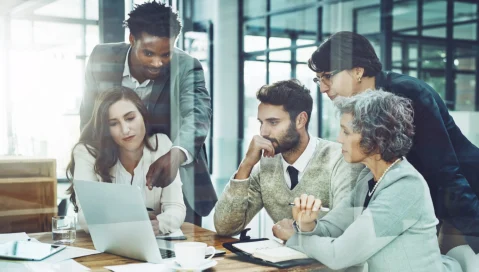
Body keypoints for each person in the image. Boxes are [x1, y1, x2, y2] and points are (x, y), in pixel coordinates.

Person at [308, 31, 479, 254]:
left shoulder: (407, 94)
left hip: (464, 193)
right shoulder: (357, 107)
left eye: (327, 76)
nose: (322, 87)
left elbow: (445, 170)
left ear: (358, 71)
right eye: (318, 78)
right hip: (430, 195)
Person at [273, 90, 462, 272]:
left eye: (346, 132)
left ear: (375, 138)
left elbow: (340, 255)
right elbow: (333, 227)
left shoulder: (405, 187)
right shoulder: (368, 180)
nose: (339, 139)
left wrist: (294, 238)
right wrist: (307, 225)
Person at [79, 1, 216, 226]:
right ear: (132, 39)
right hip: (117, 179)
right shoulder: (101, 57)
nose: (157, 63)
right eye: (148, 53)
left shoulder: (187, 66)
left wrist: (176, 154)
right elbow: (89, 118)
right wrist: (88, 168)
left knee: (182, 256)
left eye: (166, 54)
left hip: (174, 184)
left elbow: (198, 114)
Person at [214, 79, 363, 236]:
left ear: (300, 120)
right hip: (281, 258)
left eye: (273, 122)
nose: (263, 132)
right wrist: (246, 165)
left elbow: (346, 231)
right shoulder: (266, 165)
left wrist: (299, 230)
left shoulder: (341, 160)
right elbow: (225, 227)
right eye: (261, 122)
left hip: (325, 260)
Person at [67, 87, 185, 235]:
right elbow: (86, 217)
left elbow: (176, 208)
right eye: (113, 123)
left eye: (130, 118)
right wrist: (133, 224)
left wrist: (158, 224)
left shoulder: (162, 144)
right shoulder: (87, 152)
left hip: (150, 243)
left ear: (142, 115)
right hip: (103, 244)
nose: (125, 130)